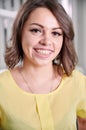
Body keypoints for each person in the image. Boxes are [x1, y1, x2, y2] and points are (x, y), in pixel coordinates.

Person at [0, 0, 86, 129]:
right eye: (36, 30)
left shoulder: (77, 82)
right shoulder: (2, 87)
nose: (46, 41)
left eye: (56, 33)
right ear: (20, 32)